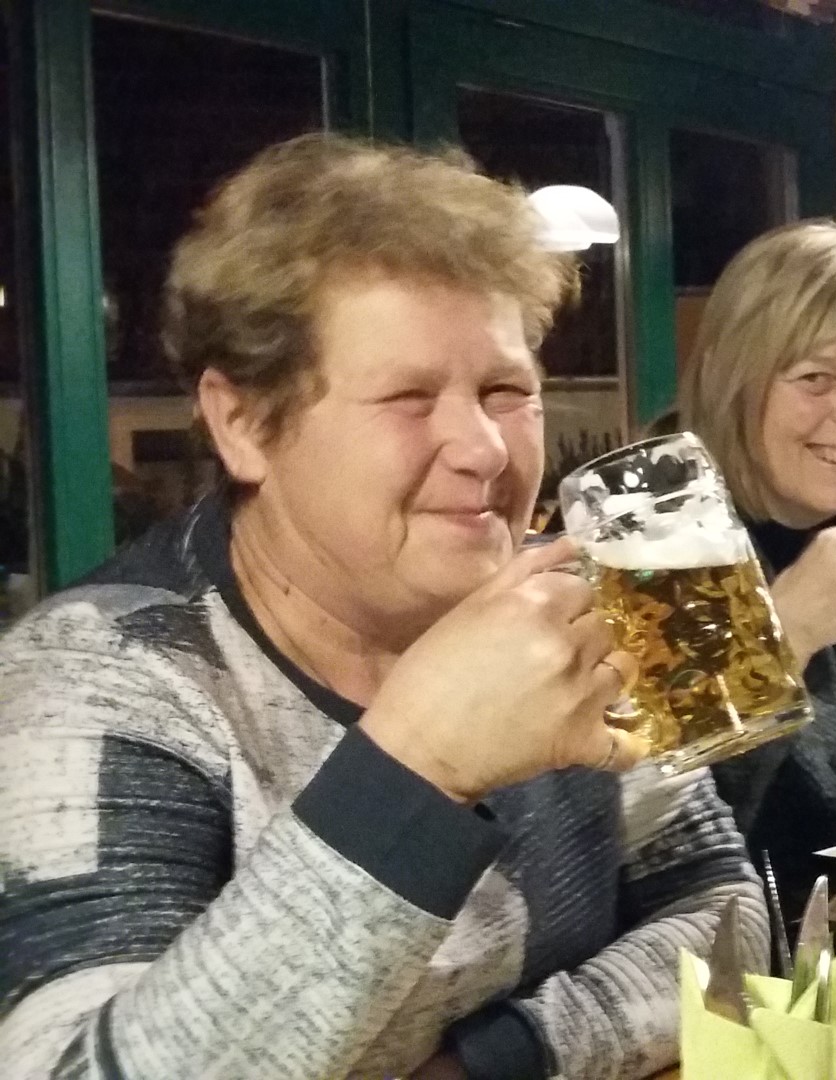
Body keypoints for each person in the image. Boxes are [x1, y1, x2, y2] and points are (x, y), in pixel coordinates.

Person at [0, 135, 762, 1080]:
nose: (485, 448)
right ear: (243, 423)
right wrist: (421, 765)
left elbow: (728, 915)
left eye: (506, 391)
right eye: (409, 396)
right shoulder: (100, 679)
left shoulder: (560, 608)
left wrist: (506, 1057)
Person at [674, 220, 836, 905]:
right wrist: (779, 638)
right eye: (816, 377)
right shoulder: (652, 570)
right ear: (734, 383)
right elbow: (645, 848)